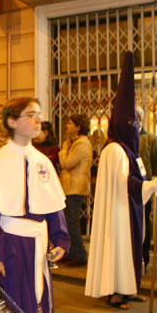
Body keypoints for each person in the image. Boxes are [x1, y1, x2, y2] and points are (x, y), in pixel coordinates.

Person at [0, 97, 69, 313]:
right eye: (30, 115)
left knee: (40, 304)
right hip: (13, 244)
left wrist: (61, 240)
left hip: (38, 242)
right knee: (15, 307)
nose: (38, 120)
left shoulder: (43, 161)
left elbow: (54, 206)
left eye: (39, 115)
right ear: (12, 121)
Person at [85, 52, 157, 309]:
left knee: (133, 248)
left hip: (130, 210)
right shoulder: (115, 150)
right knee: (119, 250)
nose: (136, 128)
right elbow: (126, 184)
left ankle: (129, 289)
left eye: (138, 122)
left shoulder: (127, 150)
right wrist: (151, 186)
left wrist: (150, 183)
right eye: (132, 123)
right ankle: (115, 292)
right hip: (118, 214)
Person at [59, 113, 92, 266]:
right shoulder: (75, 143)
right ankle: (72, 252)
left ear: (78, 127)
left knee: (72, 222)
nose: (67, 126)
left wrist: (63, 150)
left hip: (75, 187)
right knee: (68, 221)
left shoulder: (82, 144)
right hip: (69, 187)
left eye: (71, 123)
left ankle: (80, 255)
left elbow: (67, 163)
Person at [135, 106, 157, 270]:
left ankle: (144, 258)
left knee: (144, 224)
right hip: (129, 189)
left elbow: (155, 161)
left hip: (144, 187)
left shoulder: (149, 138)